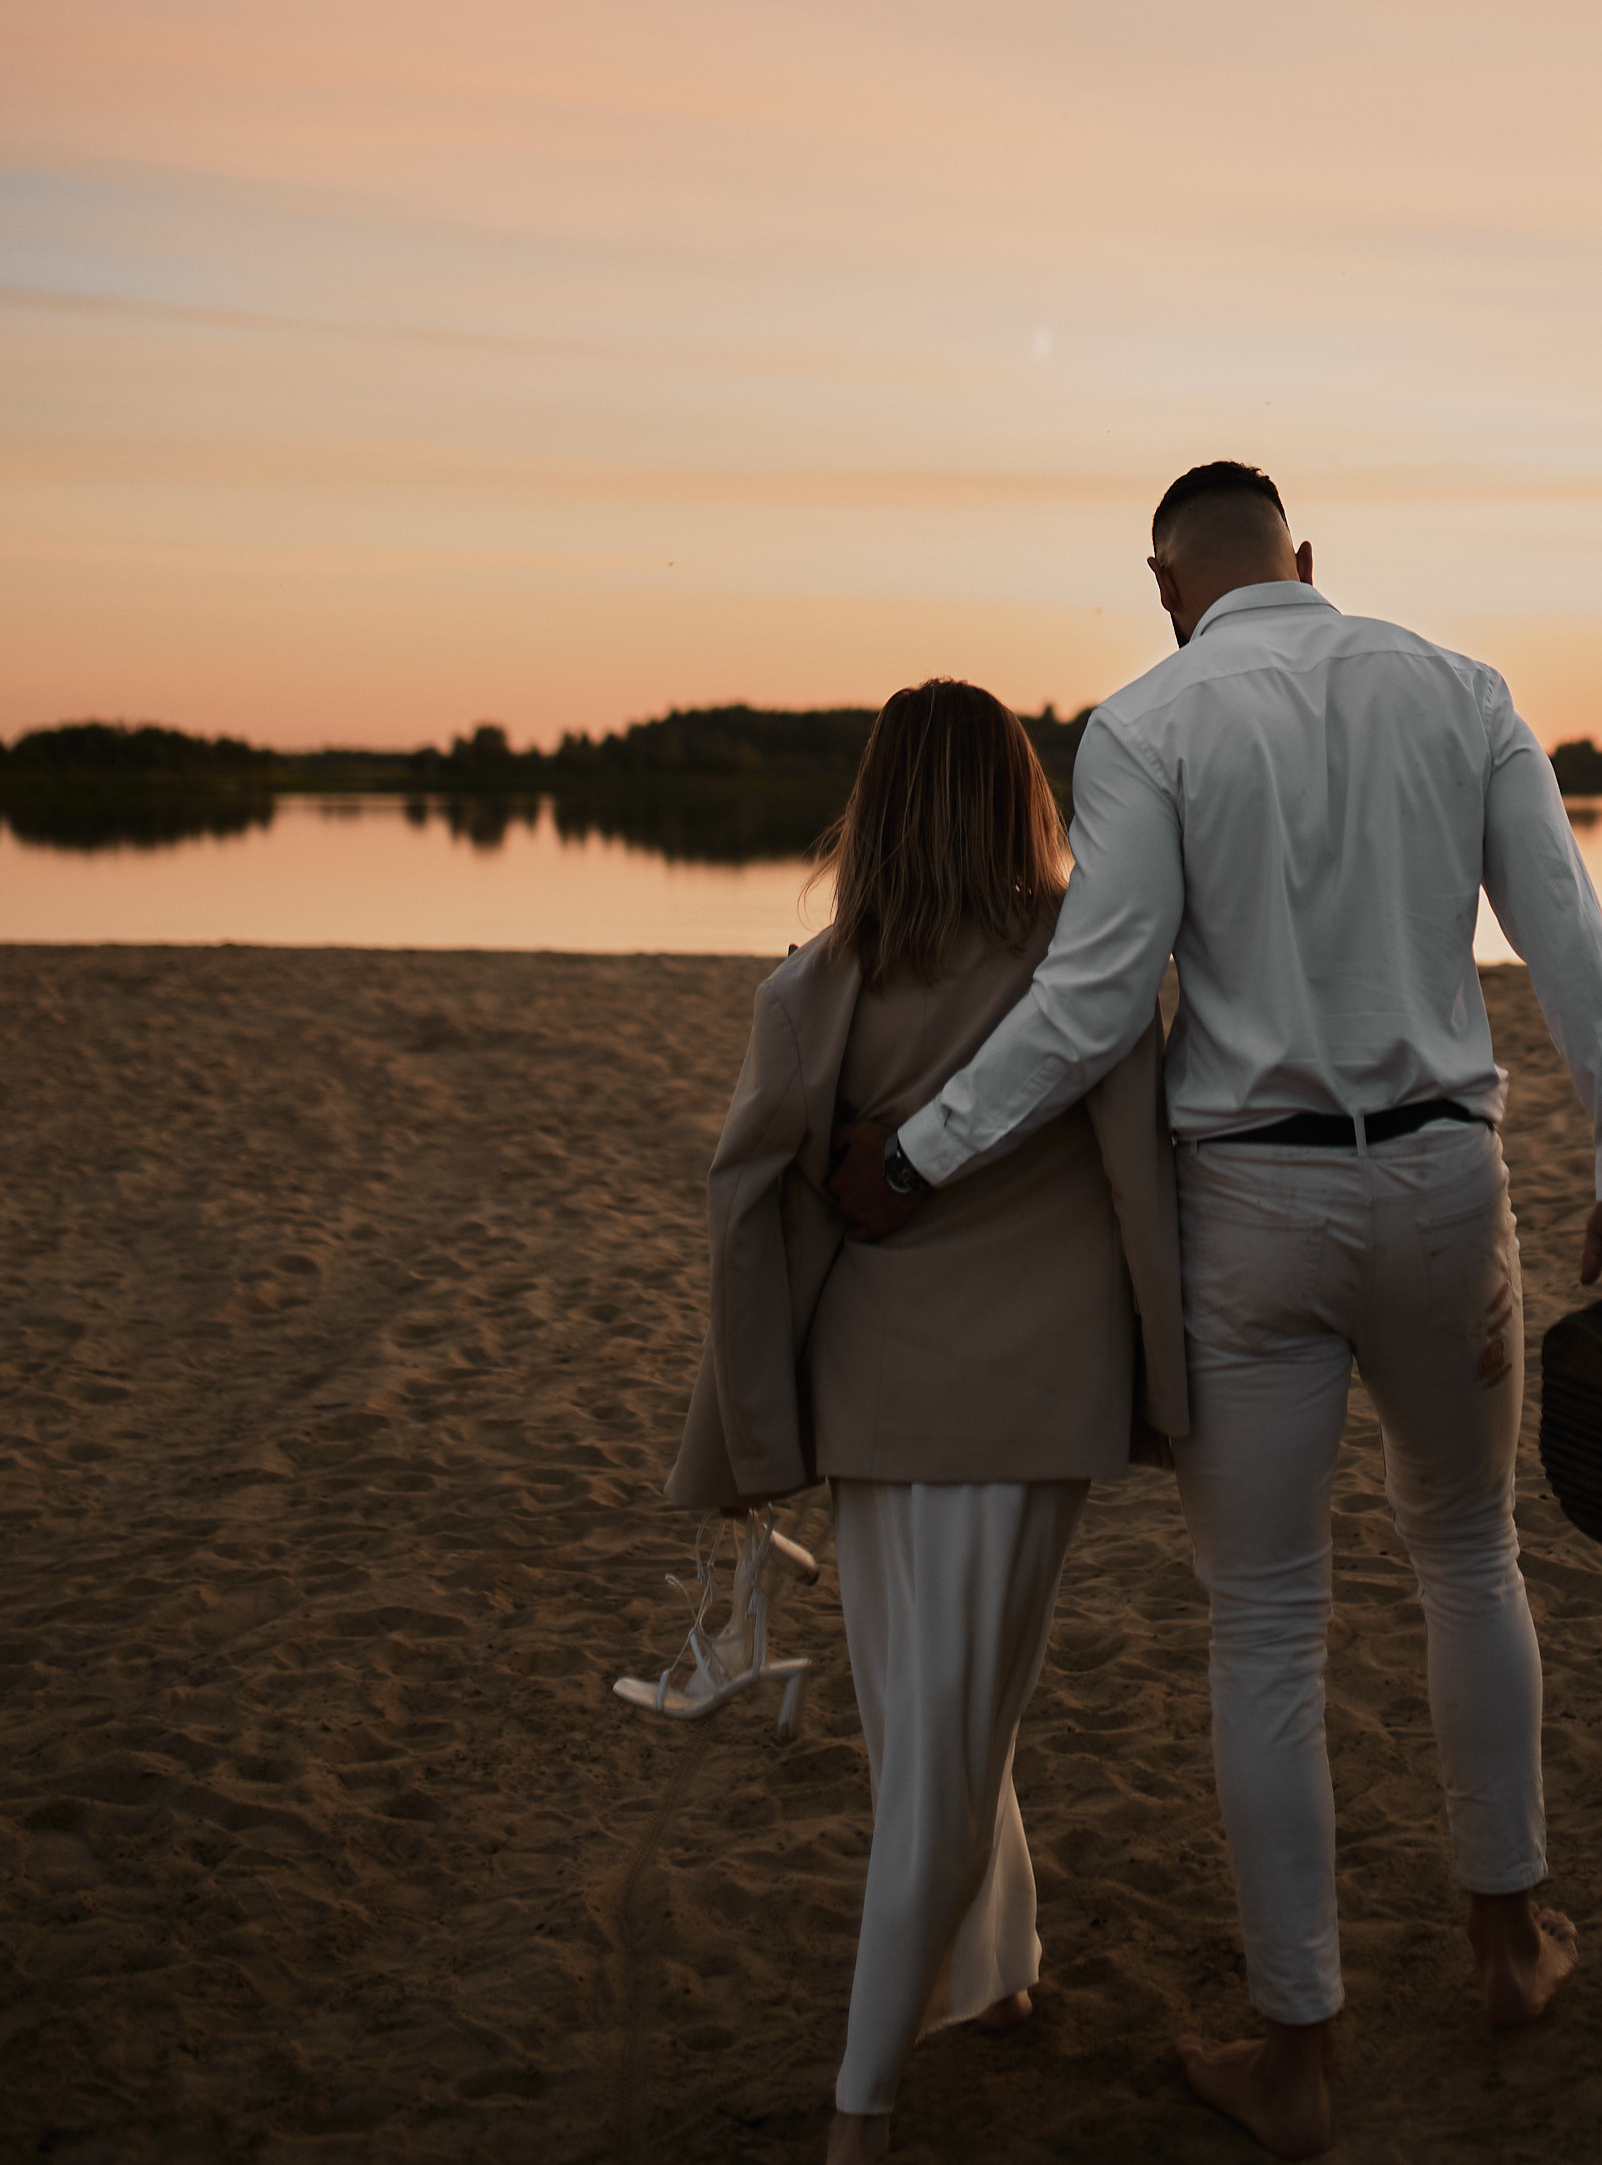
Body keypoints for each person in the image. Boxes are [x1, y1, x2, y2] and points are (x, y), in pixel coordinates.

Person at [833, 465, 1602, 2160]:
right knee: (1468, 1553)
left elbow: (1093, 999)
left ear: (1166, 586)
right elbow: (1563, 929)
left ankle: (1299, 2051)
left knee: (1266, 1629)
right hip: (1444, 1184)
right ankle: (1509, 1945)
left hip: (1256, 1209)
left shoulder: (1144, 722)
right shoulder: (1458, 688)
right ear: (1307, 559)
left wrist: (919, 1155)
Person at [664, 678, 1189, 2164]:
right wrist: (1170, 1379)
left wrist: (752, 1411)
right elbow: (1142, 1181)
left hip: (877, 1391)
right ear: (1021, 797)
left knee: (929, 1721)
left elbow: (744, 1210)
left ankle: (965, 2001)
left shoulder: (815, 981)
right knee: (940, 1734)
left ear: (876, 800)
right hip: (1033, 1393)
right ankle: (871, 2096)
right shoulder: (1080, 970)